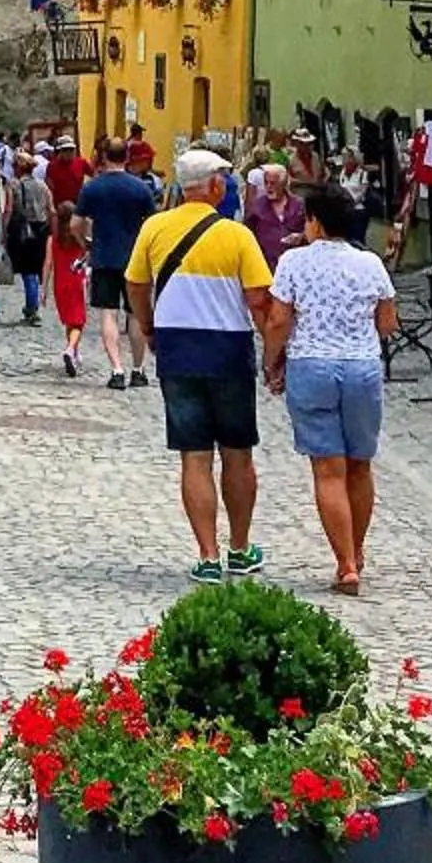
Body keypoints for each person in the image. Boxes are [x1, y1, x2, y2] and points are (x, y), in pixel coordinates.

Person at [125, 148, 274, 583]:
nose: (227, 186)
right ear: (212, 186)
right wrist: (273, 354)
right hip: (228, 349)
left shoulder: (155, 227)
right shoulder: (237, 236)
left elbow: (135, 284)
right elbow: (259, 298)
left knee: (194, 456)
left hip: (178, 347)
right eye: (224, 180)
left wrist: (149, 325)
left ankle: (207, 555)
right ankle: (240, 547)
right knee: (237, 454)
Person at [263, 185, 398, 596]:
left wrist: (272, 363)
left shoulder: (293, 263)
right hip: (361, 367)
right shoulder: (371, 263)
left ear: (315, 222)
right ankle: (357, 551)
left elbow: (278, 321)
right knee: (360, 464)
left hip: (313, 366)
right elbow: (388, 323)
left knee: (328, 467)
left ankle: (344, 564)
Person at [75, 135, 160, 390]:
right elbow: (152, 223)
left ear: (103, 157)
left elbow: (75, 223)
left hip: (103, 257)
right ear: (126, 157)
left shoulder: (92, 188)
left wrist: (85, 243)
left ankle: (116, 369)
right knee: (135, 315)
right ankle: (138, 369)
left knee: (107, 314)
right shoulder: (140, 188)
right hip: (135, 259)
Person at [2, 145, 53, 326]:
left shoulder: (13, 185)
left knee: (28, 272)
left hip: (22, 230)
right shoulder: (42, 185)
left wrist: (4, 231)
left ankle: (32, 308)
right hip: (41, 229)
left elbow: (8, 210)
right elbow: (51, 209)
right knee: (36, 269)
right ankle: (33, 305)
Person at [51, 206, 91, 378]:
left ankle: (74, 352)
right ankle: (69, 349)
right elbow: (90, 254)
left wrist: (44, 289)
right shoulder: (80, 240)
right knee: (78, 322)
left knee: (69, 320)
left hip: (60, 284)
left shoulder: (54, 240)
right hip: (76, 281)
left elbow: (47, 264)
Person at [243, 160, 305, 266]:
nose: (268, 187)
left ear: (283, 184)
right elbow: (246, 234)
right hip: (265, 265)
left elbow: (312, 231)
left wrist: (301, 236)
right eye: (266, 183)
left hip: (294, 263)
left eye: (273, 183)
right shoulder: (257, 206)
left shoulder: (299, 205)